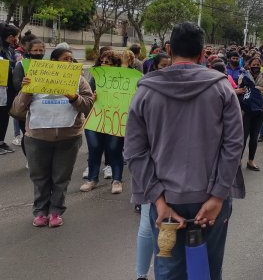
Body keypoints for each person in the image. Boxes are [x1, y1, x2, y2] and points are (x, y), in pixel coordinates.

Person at [124, 22, 245, 280]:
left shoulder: (144, 93)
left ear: (168, 49)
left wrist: (158, 200)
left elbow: (134, 152)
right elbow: (234, 146)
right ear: (203, 54)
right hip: (211, 199)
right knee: (208, 271)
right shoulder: (223, 89)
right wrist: (218, 195)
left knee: (168, 270)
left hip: (165, 200)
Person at [10, 47, 93, 227]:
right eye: (65, 59)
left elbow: (88, 106)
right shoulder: (35, 77)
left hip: (68, 137)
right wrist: (27, 90)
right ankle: (40, 211)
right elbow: (16, 110)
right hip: (37, 137)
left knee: (61, 177)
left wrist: (74, 97)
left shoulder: (79, 80)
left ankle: (56, 211)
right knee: (40, 177)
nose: (69, 62)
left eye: (71, 59)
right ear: (53, 62)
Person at [79, 50, 126, 194]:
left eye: (108, 63)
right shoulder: (95, 77)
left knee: (114, 150)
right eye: (102, 62)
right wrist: (92, 97)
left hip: (115, 119)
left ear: (116, 65)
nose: (104, 65)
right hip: (96, 118)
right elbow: (86, 97)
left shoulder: (125, 79)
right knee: (94, 149)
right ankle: (92, 179)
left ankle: (117, 180)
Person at [237, 56, 263, 171]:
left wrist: (253, 90)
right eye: (254, 64)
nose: (256, 67)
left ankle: (250, 161)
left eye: (258, 65)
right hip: (246, 111)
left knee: (254, 138)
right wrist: (259, 89)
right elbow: (241, 90)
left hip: (260, 112)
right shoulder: (244, 76)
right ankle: (238, 161)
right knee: (243, 138)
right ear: (249, 65)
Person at [0, 23, 20, 154]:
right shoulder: (2, 49)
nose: (18, 40)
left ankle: (1, 141)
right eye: (17, 37)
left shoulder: (10, 49)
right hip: (1, 89)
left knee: (4, 116)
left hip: (8, 90)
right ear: (11, 36)